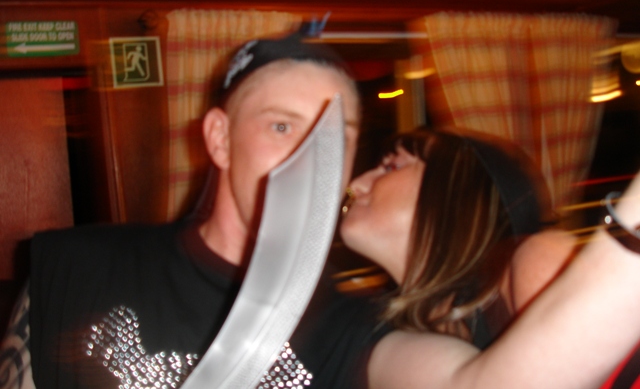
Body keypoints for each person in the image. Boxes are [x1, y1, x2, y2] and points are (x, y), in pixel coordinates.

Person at [0, 33, 387, 389]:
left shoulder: (355, 326)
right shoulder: (79, 268)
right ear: (220, 139)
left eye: (336, 139)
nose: (313, 162)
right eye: (282, 127)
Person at [340, 127, 640, 389]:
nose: (356, 185)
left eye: (391, 166)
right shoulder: (384, 336)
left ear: (457, 193)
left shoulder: (534, 263)